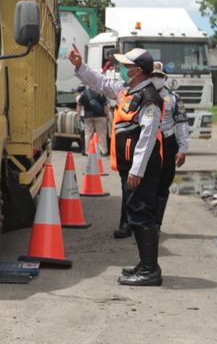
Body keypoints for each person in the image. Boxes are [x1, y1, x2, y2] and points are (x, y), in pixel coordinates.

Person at [69, 45, 164, 286]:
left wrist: (136, 170)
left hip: (141, 167)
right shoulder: (127, 91)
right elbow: (100, 83)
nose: (123, 69)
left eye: (127, 66)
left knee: (142, 215)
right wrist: (80, 66)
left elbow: (148, 136)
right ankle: (145, 264)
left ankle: (151, 270)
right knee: (136, 213)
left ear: (139, 71)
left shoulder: (148, 98)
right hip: (130, 166)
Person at [150, 61, 189, 227]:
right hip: (148, 141)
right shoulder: (141, 94)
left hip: (167, 141)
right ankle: (141, 222)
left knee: (164, 181)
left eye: (159, 76)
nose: (156, 79)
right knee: (145, 182)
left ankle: (156, 223)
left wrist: (182, 149)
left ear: (165, 77)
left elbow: (181, 124)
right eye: (153, 76)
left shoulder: (174, 98)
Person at [76, 84, 109, 156]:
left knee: (88, 134)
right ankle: (103, 151)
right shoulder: (100, 93)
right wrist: (107, 116)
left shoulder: (84, 93)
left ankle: (88, 151)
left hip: (88, 116)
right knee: (101, 134)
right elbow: (105, 106)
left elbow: (79, 105)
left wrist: (78, 116)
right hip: (100, 116)